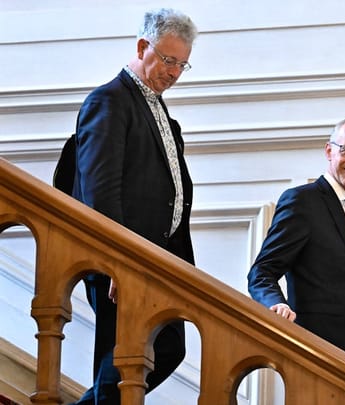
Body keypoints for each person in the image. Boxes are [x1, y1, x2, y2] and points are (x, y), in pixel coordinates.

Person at [68, 8, 197, 405]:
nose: (175, 72)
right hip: (123, 265)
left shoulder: (157, 107)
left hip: (159, 260)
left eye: (182, 64)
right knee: (128, 357)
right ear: (143, 47)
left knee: (164, 348)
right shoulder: (110, 101)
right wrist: (117, 263)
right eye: (169, 60)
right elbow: (100, 191)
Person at [247, 117, 345, 361]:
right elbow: (261, 272)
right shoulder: (302, 202)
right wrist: (277, 305)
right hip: (312, 352)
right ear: (329, 150)